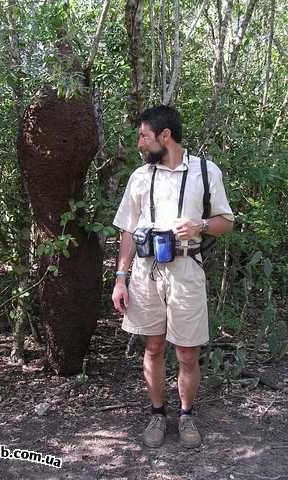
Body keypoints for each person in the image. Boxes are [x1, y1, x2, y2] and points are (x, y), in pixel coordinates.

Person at [111, 105, 234, 449]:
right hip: (145, 272)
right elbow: (127, 231)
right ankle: (157, 413)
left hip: (186, 270)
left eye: (143, 136)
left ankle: (186, 415)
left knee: (187, 353)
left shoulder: (206, 173)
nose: (139, 143)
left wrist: (202, 225)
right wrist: (121, 278)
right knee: (152, 347)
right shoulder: (139, 177)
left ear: (165, 136)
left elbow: (227, 221)